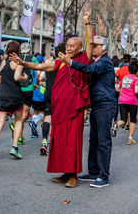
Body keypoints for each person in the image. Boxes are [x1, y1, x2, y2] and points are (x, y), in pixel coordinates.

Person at [10, 12, 93, 188]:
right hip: (59, 109)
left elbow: (91, 42)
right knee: (60, 142)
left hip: (74, 110)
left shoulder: (83, 60)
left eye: (73, 46)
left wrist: (87, 23)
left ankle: (74, 176)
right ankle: (65, 173)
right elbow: (39, 66)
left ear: (80, 49)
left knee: (72, 144)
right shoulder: (59, 62)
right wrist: (22, 63)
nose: (69, 48)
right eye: (68, 45)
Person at [59, 35, 116, 188]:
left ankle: (104, 176)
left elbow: (89, 69)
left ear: (103, 47)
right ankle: (93, 171)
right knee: (94, 140)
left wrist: (70, 62)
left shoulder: (104, 62)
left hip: (105, 105)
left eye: (95, 45)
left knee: (103, 142)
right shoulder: (96, 60)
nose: (92, 47)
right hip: (96, 105)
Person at [0, 41, 27, 162]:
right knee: (19, 120)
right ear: (18, 51)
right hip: (15, 96)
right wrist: (24, 77)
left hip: (2, 95)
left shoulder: (3, 62)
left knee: (0, 122)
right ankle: (14, 147)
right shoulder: (18, 63)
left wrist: (3, 77)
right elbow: (16, 77)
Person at [9, 42, 39, 144]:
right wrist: (37, 83)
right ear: (30, 50)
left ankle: (20, 137)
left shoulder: (16, 58)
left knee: (19, 112)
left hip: (17, 87)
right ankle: (17, 128)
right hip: (28, 87)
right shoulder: (33, 59)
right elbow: (38, 71)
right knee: (25, 113)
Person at [112, 62, 138, 144]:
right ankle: (130, 139)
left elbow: (117, 88)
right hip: (132, 101)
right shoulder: (136, 79)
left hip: (122, 100)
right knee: (133, 120)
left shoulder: (124, 78)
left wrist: (122, 92)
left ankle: (117, 124)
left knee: (123, 119)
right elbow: (136, 91)